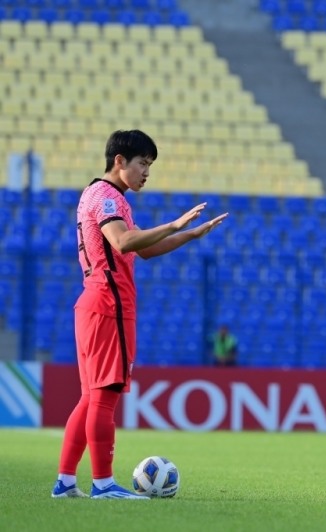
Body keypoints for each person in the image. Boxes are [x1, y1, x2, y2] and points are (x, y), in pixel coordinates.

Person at [51, 130, 228, 500]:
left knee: (89, 398)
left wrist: (190, 235)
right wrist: (174, 224)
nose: (147, 172)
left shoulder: (96, 195)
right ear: (120, 161)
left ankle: (66, 482)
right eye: (143, 163)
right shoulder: (108, 197)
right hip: (109, 305)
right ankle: (103, 485)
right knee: (104, 397)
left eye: (150, 165)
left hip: (94, 303)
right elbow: (124, 241)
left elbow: (142, 250)